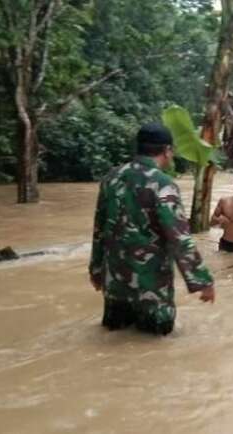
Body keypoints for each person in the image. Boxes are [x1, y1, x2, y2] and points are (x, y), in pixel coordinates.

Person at [89, 123, 215, 335]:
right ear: (167, 151)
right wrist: (202, 281)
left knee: (114, 340)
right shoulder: (162, 183)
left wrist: (96, 270)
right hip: (152, 288)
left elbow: (99, 229)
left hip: (115, 284)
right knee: (155, 345)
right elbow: (179, 238)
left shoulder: (111, 178)